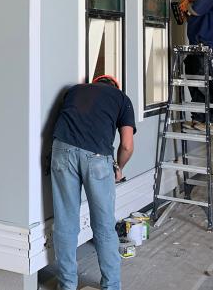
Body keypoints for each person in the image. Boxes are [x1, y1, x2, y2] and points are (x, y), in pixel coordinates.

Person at [50, 75, 136, 290]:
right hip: (97, 159)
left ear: (95, 82)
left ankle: (67, 286)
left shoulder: (74, 90)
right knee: (105, 226)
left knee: (65, 223)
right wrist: (119, 168)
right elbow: (127, 145)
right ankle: (111, 286)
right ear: (115, 86)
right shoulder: (122, 99)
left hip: (61, 151)